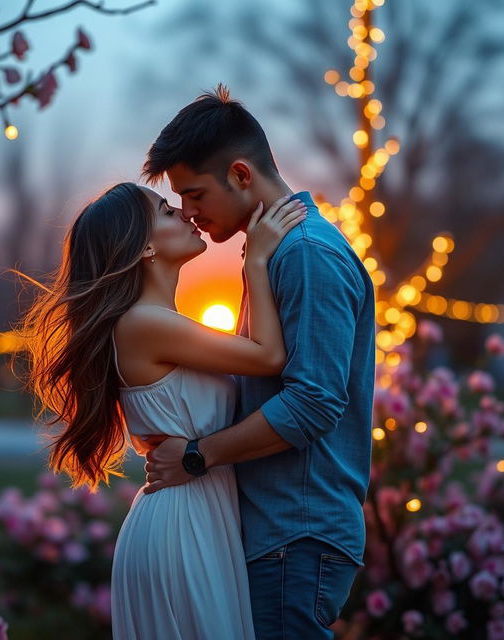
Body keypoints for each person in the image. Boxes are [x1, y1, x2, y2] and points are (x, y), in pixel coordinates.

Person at [15, 179, 306, 639]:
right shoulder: (144, 323)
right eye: (168, 211)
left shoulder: (156, 323)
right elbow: (268, 356)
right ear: (144, 247)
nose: (186, 214)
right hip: (181, 527)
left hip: (197, 513)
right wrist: (257, 263)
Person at [141, 84, 376, 639]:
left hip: (296, 535)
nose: (190, 214)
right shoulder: (274, 252)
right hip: (281, 534)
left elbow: (313, 402)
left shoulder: (307, 255)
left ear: (241, 176)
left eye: (195, 194)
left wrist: (197, 457)